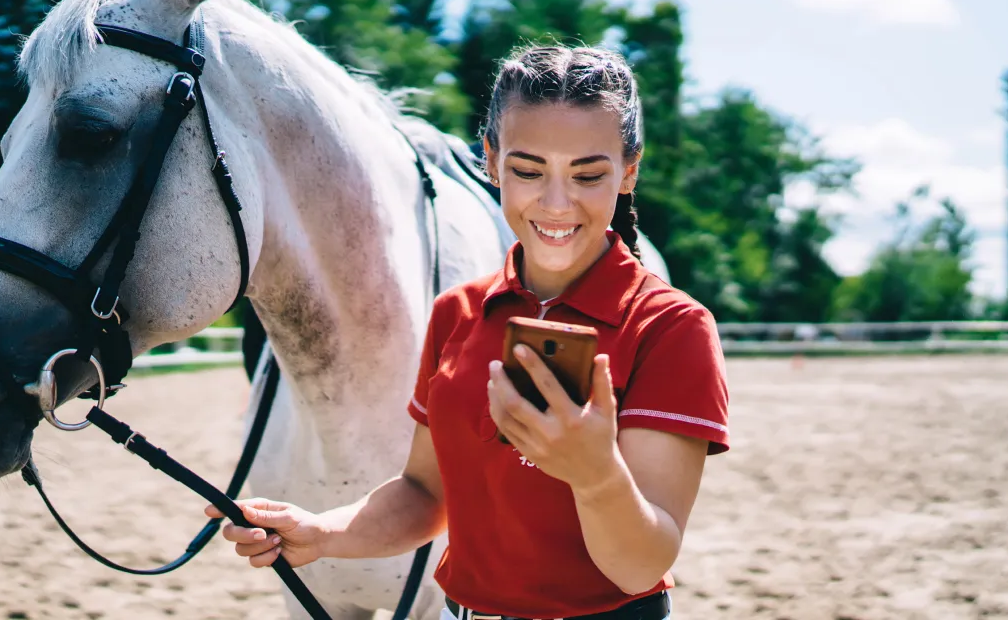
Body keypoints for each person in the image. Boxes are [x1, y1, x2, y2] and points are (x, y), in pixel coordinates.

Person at [206, 44, 730, 620]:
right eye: (528, 171)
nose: (556, 203)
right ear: (491, 161)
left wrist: (595, 473)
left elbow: (639, 565)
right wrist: (320, 531)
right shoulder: (458, 312)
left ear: (628, 170)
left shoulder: (672, 327)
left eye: (588, 174)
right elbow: (426, 495)